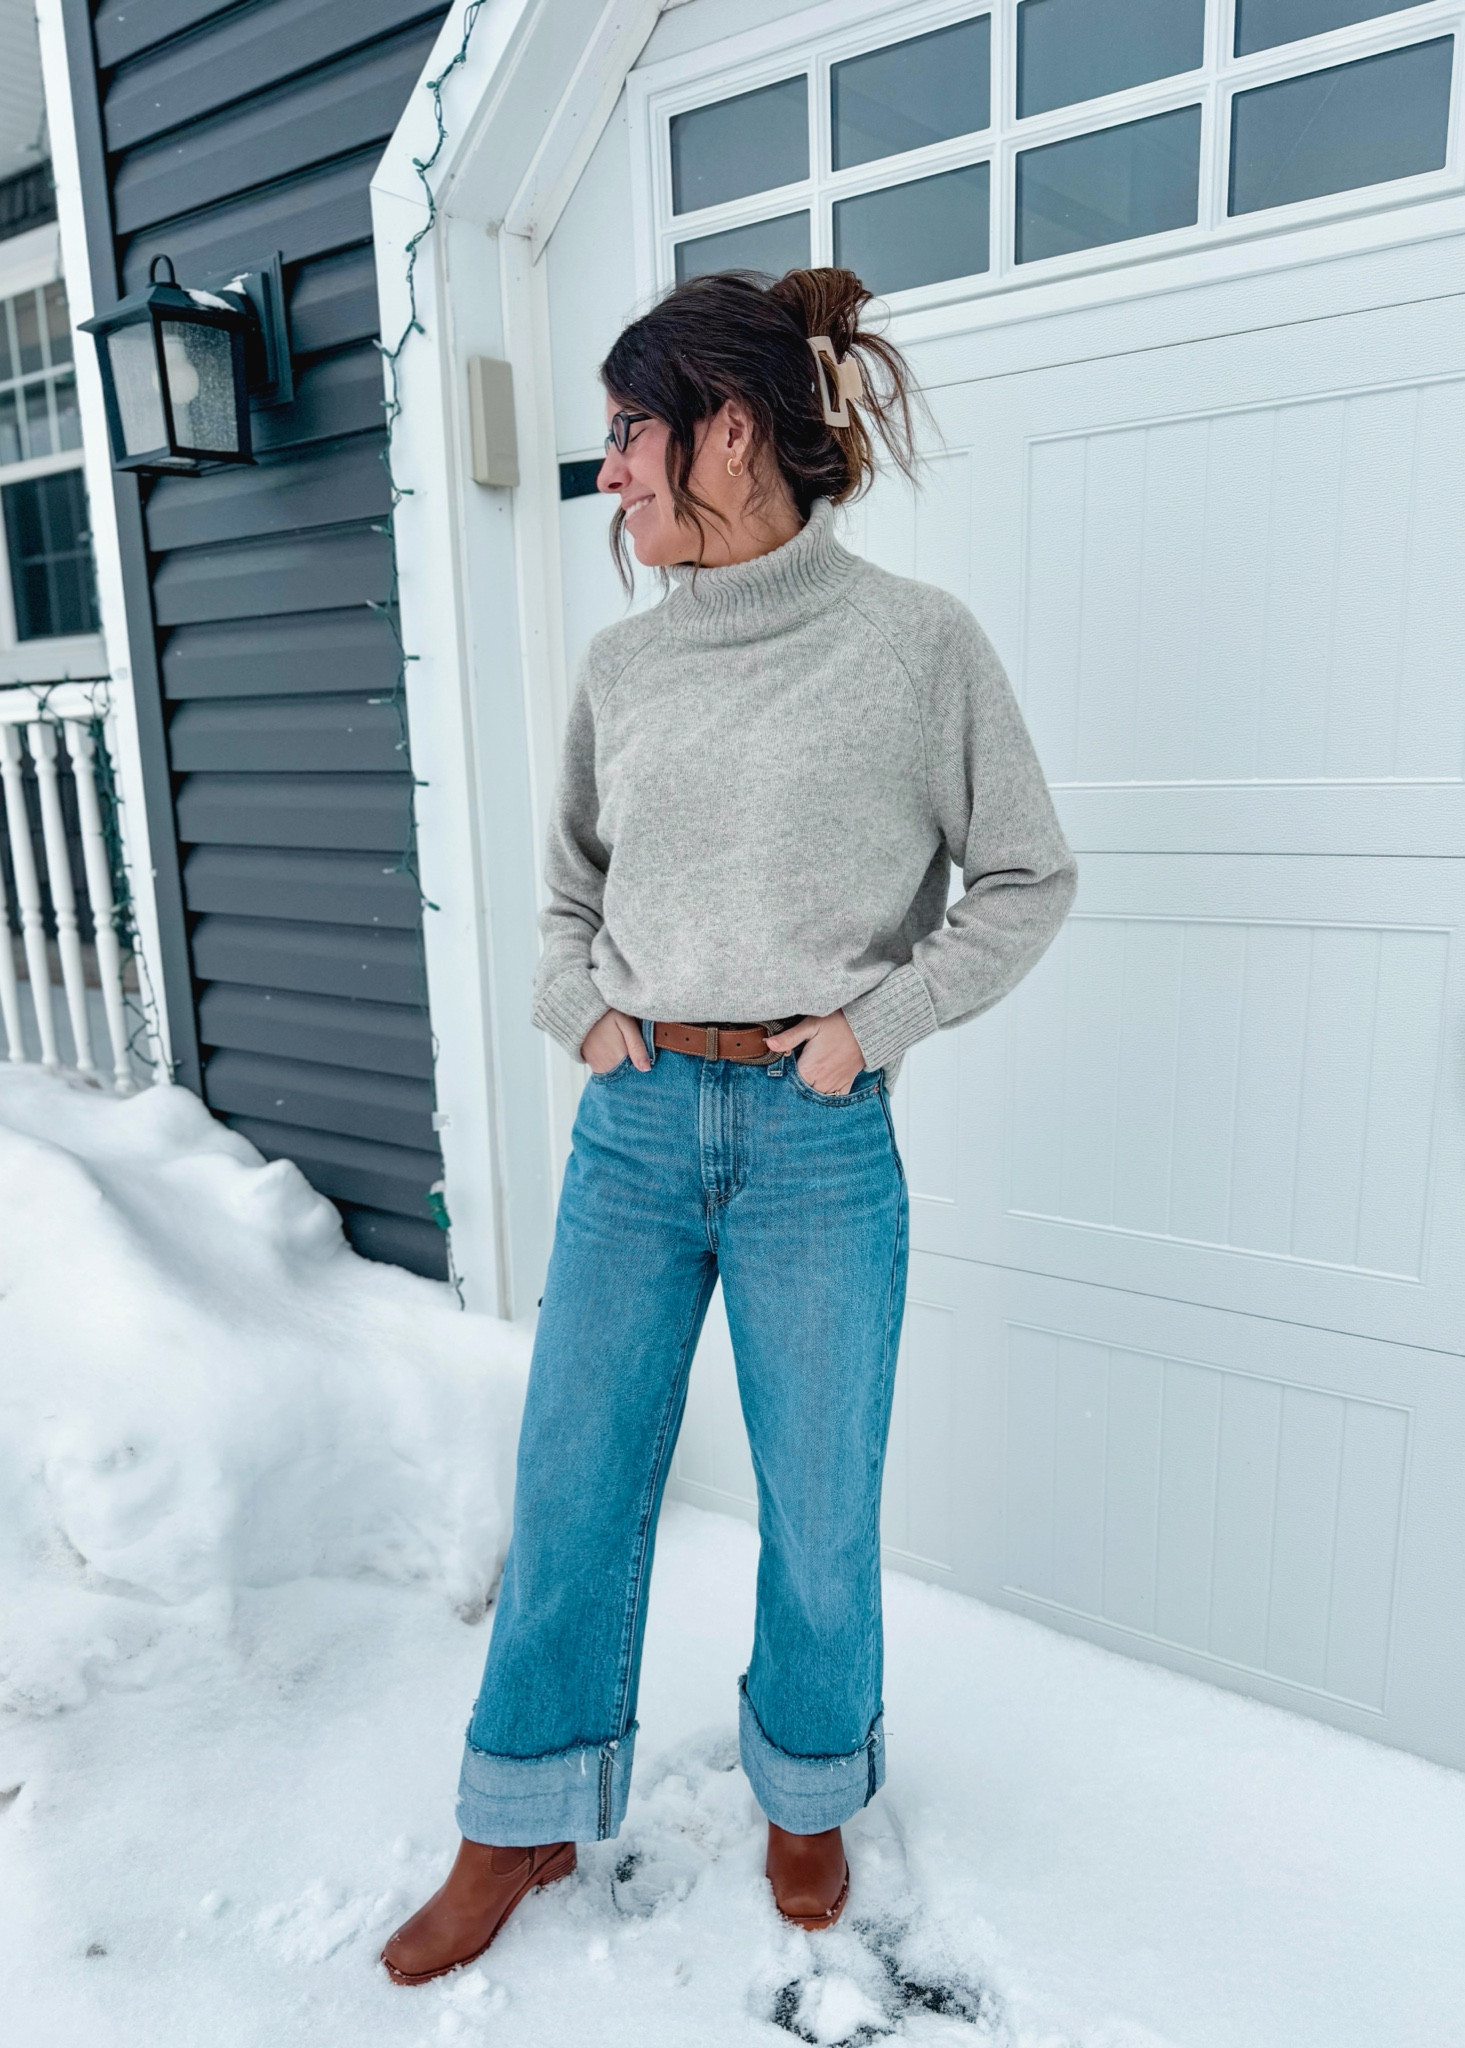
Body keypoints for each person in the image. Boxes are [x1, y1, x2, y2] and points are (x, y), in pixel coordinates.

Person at [381, 266, 1076, 1985]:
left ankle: (809, 1791)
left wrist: (875, 1026)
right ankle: (518, 1817)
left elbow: (1024, 878)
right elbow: (559, 902)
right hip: (634, 1129)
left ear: (732, 432)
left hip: (816, 1141)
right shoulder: (622, 670)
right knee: (570, 1484)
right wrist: (592, 1024)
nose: (607, 472)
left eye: (629, 433)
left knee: (819, 1501)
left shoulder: (918, 650)